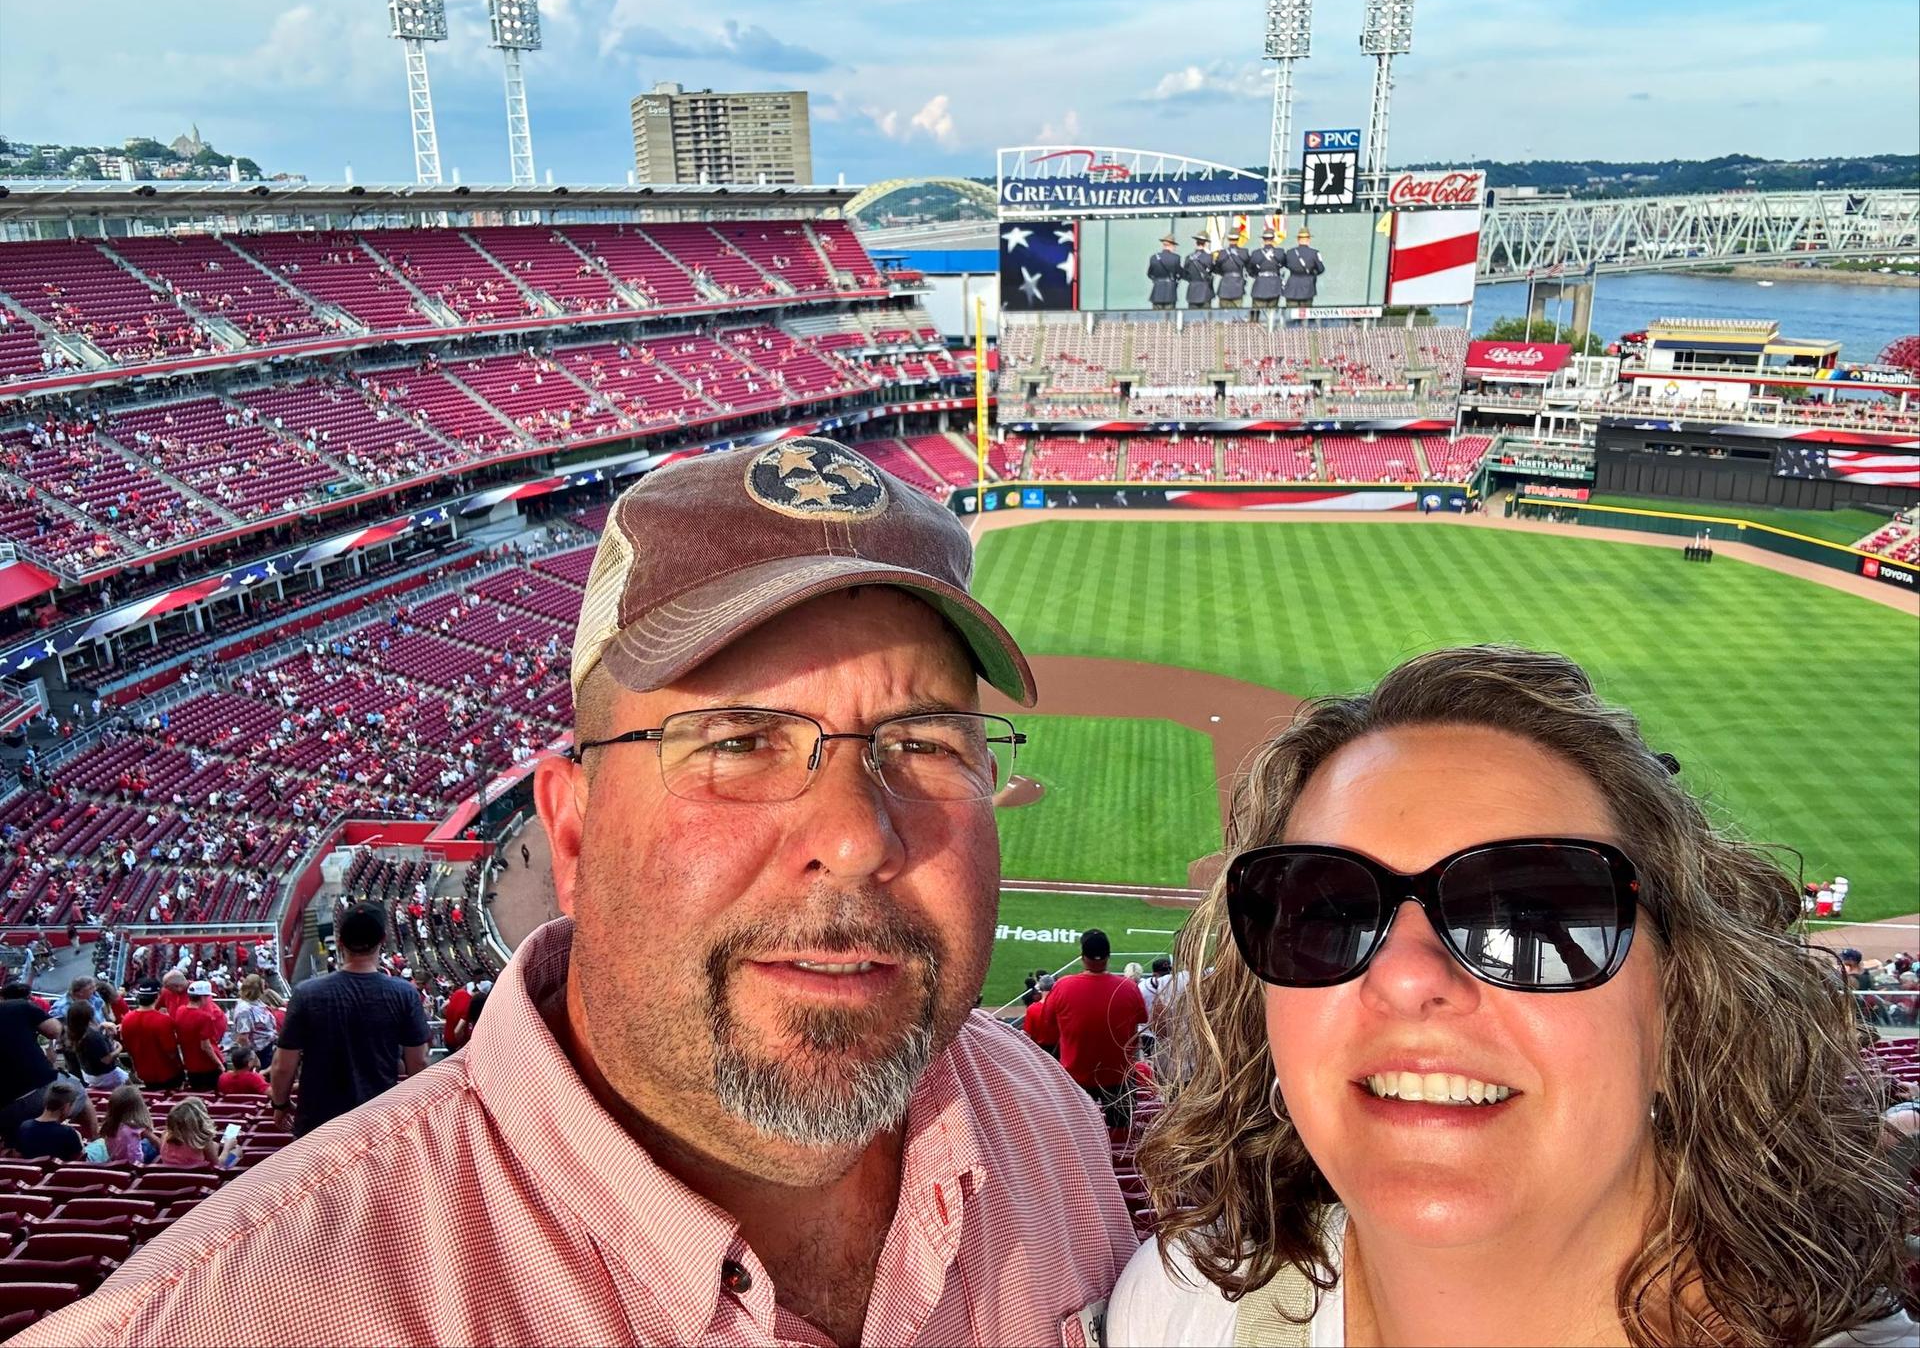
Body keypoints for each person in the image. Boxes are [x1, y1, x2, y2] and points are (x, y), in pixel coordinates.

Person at [21, 438, 1135, 1347]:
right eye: (739, 741)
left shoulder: (1049, 1128)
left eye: (924, 741)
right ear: (575, 831)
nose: (853, 838)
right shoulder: (217, 1320)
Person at [1107, 645, 1913, 1347]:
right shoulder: (1177, 1311)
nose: (1407, 974)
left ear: (1681, 1007)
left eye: (1533, 915)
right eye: (1328, 910)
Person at [266, 901, 430, 1137]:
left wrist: (280, 1105)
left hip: (317, 1125)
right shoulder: (404, 994)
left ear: (340, 941)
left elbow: (282, 1065)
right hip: (376, 1123)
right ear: (382, 939)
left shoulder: (306, 993)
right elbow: (419, 1064)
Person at [1035, 929, 1148, 1130]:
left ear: (1083, 958)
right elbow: (1141, 1020)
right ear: (1108, 957)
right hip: (1118, 1077)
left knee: (1077, 1135)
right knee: (1122, 1135)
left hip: (1076, 1077)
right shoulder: (1129, 987)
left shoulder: (1062, 986)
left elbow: (1047, 1031)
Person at [0, 979, 60, 1147]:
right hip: (33, 1091)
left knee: (14, 1141)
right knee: (76, 1090)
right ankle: (92, 1139)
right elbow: (54, 1030)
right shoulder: (20, 1006)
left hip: (7, 1102)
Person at [118, 980, 184, 1090]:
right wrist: (180, 1069)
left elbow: (128, 1048)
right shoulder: (164, 1020)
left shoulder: (126, 1020)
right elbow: (171, 1052)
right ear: (157, 996)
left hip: (144, 1073)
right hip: (167, 1073)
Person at [15, 1079, 95, 1161]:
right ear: (66, 1107)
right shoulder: (68, 1133)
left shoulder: (24, 1127)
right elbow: (78, 1160)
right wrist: (80, 1142)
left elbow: (18, 1155)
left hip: (31, 1174)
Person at [173, 980, 228, 1092]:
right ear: (203, 997)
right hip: (208, 1066)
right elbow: (205, 1046)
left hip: (191, 1065)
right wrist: (219, 1065)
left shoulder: (180, 1011)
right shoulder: (204, 1017)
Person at [61, 1001, 125, 1090]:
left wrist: (101, 1026)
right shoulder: (93, 1036)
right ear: (89, 1015)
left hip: (89, 1074)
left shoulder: (71, 1032)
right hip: (107, 1075)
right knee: (130, 1090)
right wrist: (119, 1048)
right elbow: (106, 1060)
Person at [92, 1082, 159, 1166]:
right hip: (137, 1164)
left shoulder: (108, 1125)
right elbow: (156, 1141)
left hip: (117, 1162)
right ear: (138, 1107)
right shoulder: (135, 1126)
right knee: (150, 1144)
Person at [224, 973, 279, 1069]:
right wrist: (253, 1057)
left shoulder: (257, 1003)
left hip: (268, 1047)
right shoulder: (244, 1010)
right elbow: (243, 1038)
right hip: (259, 1053)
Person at [158, 1097, 221, 1167]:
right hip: (197, 1177)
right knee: (234, 1150)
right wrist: (227, 1149)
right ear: (198, 1121)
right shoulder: (203, 1141)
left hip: (168, 1177)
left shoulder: (164, 1136)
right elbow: (218, 1166)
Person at [1281, 226, 1325, 310]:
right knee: (1305, 314)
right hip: (1307, 286)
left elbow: (1286, 265)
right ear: (1309, 239)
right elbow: (1321, 269)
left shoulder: (1290, 252)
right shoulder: (1314, 253)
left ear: (1298, 239)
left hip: (1292, 286)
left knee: (1291, 313)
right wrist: (1312, 273)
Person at [1249, 229, 1285, 312]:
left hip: (1260, 285)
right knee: (1271, 314)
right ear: (1273, 239)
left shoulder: (1256, 253)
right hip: (1274, 285)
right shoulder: (1280, 252)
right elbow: (1284, 264)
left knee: (1255, 315)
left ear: (1263, 239)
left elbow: (1250, 269)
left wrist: (1256, 276)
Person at [1214, 236, 1251, 308]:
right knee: (1237, 315)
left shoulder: (1222, 253)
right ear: (1238, 240)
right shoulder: (1244, 252)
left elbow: (1216, 269)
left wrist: (1224, 274)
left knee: (1223, 315)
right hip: (1238, 286)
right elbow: (1249, 268)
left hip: (1225, 286)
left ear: (1228, 240)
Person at [1148, 233, 1182, 311]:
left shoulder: (1154, 258)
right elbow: (1180, 274)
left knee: (1156, 318)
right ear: (1171, 245)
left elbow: (1150, 274)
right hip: (1170, 292)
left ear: (1163, 245)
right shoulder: (1176, 258)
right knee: (1169, 319)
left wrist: (1157, 280)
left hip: (1157, 291)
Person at [1184, 235, 1216, 310]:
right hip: (1205, 292)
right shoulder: (1209, 257)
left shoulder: (1188, 258)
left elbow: (1185, 274)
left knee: (1192, 318)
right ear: (1205, 244)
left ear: (1196, 243)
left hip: (1192, 291)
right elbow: (1213, 270)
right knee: (1206, 320)